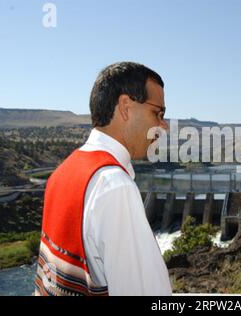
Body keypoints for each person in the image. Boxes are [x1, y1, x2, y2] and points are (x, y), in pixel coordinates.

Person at [35, 62, 172, 296]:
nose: (164, 126)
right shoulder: (114, 186)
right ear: (125, 107)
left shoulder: (63, 171)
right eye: (157, 113)